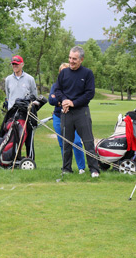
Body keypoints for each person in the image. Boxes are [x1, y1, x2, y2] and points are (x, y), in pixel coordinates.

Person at [54, 46, 101, 178]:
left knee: (88, 141)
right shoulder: (63, 73)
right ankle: (66, 169)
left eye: (74, 59)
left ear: (81, 59)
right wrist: (64, 101)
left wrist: (73, 103)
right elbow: (57, 90)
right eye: (70, 58)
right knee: (66, 142)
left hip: (82, 112)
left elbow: (89, 93)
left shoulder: (87, 73)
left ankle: (94, 169)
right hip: (66, 112)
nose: (71, 61)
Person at [49, 63, 86, 174]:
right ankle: (67, 168)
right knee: (63, 144)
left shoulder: (75, 84)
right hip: (58, 117)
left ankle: (81, 168)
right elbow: (51, 100)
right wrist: (64, 102)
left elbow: (77, 100)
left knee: (76, 142)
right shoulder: (55, 86)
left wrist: (61, 101)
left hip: (73, 117)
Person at [5, 55, 37, 158]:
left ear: (22, 64)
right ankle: (14, 158)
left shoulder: (30, 79)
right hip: (12, 113)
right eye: (13, 64)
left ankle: (30, 159)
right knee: (13, 137)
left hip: (26, 112)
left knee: (28, 136)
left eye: (17, 64)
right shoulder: (8, 79)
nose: (15, 66)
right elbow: (8, 95)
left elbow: (34, 95)